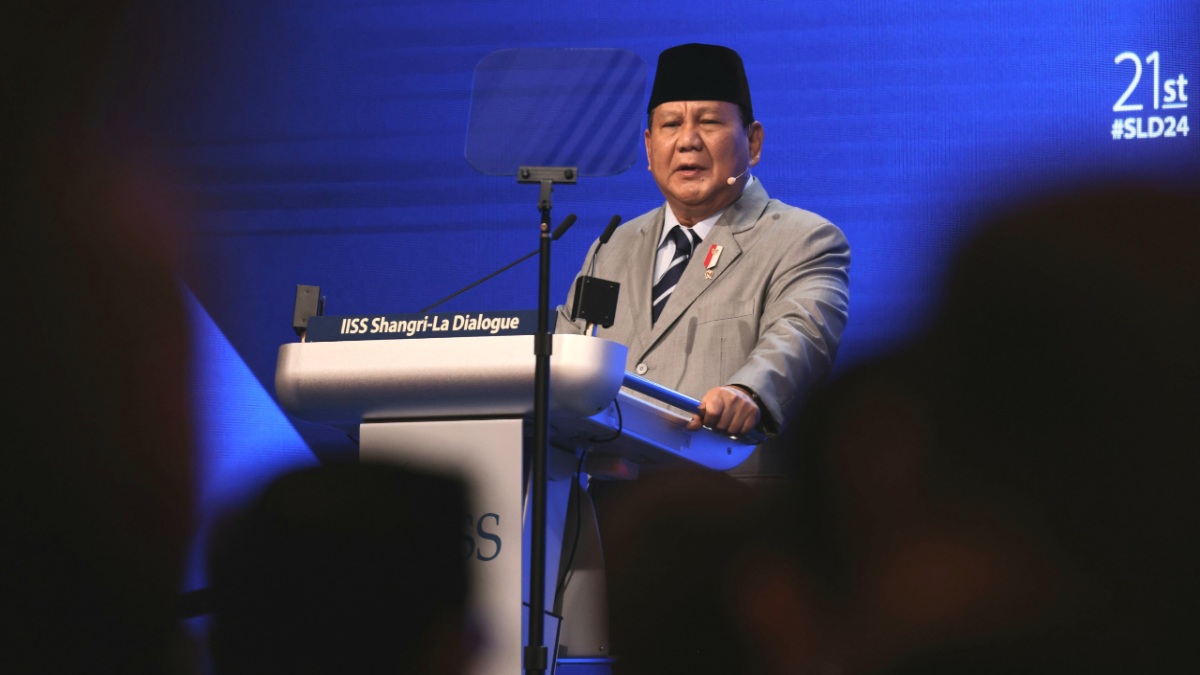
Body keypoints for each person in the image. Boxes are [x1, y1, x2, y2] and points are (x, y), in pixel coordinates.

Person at [557, 43, 850, 480]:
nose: (688, 141)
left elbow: (800, 334)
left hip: (722, 499)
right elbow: (567, 360)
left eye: (709, 122)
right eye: (671, 125)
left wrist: (747, 391)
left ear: (753, 142)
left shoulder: (803, 239)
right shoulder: (612, 247)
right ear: (650, 147)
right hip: (602, 501)